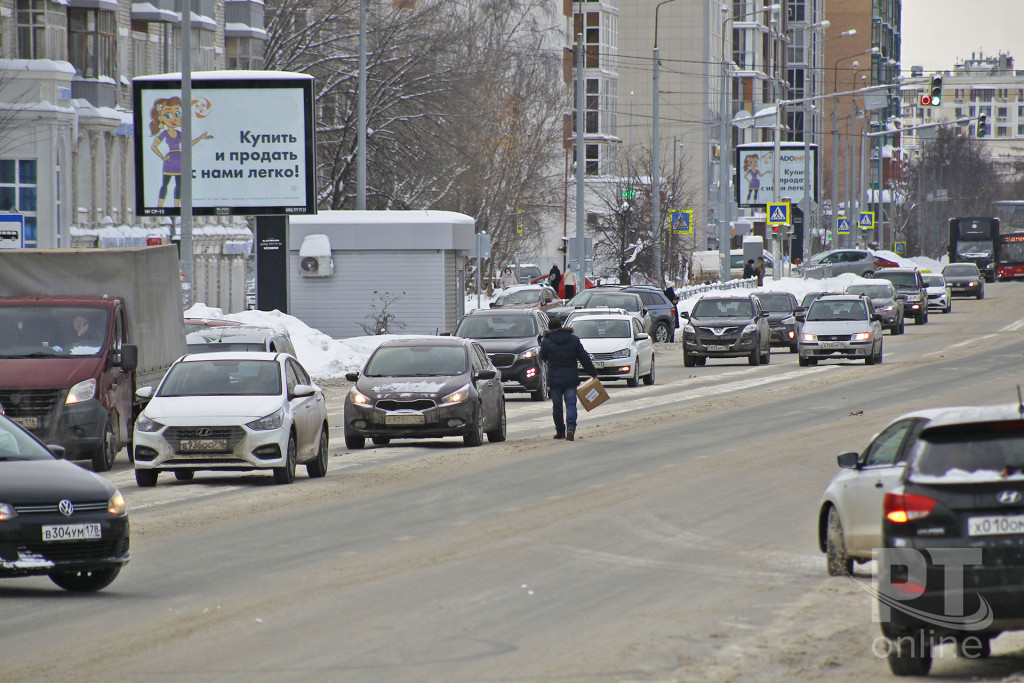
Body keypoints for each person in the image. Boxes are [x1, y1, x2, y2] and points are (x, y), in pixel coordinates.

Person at [539, 318, 597, 442]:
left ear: (549, 328)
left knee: (557, 406)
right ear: (561, 326)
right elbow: (584, 358)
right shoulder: (573, 340)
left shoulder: (547, 342)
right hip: (571, 378)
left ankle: (560, 431)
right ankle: (571, 428)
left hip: (554, 379)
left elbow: (542, 356)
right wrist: (593, 373)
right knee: (571, 404)